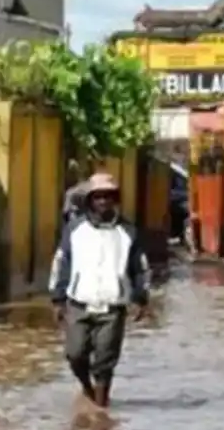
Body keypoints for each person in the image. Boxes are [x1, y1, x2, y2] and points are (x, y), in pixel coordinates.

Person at [48, 172, 149, 409]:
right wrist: (57, 299)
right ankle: (87, 388)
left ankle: (101, 411)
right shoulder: (75, 230)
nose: (103, 202)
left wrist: (140, 298)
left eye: (108, 197)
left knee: (105, 361)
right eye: (98, 197)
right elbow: (61, 263)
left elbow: (140, 268)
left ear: (116, 199)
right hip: (78, 304)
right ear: (90, 200)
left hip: (112, 308)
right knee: (75, 355)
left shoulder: (128, 231)